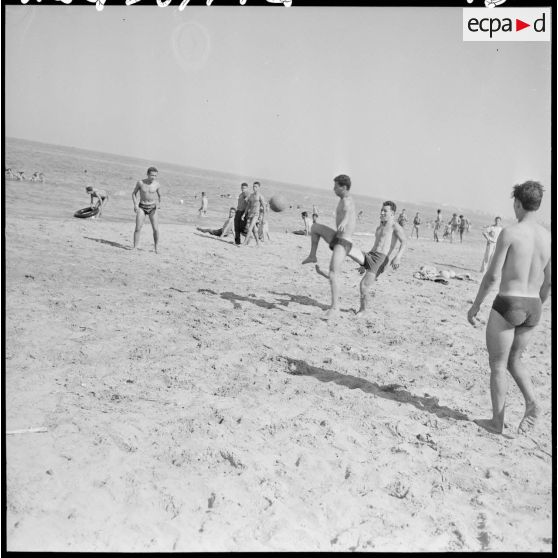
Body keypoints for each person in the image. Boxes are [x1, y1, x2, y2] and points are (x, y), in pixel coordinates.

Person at [467, 181, 551, 436]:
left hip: (508, 303)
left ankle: (496, 423)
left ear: (517, 203)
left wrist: (476, 306)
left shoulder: (510, 233)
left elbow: (492, 277)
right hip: (533, 305)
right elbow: (549, 281)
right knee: (516, 360)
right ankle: (533, 402)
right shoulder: (549, 237)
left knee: (498, 364)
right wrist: (536, 307)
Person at [305, 197, 407, 320]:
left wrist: (398, 257)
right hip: (371, 255)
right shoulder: (379, 227)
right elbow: (376, 245)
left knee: (363, 285)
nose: (382, 213)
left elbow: (404, 242)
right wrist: (363, 264)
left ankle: (364, 311)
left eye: (385, 211)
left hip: (380, 260)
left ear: (392, 213)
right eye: (381, 210)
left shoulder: (394, 226)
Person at [132, 166, 162, 253]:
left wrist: (159, 204)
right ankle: (135, 247)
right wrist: (135, 204)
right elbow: (134, 193)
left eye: (155, 175)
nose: (153, 177)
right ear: (147, 174)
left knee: (155, 229)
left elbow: (160, 196)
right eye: (152, 175)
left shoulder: (157, 184)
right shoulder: (140, 183)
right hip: (142, 206)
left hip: (152, 207)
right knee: (138, 228)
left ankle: (156, 248)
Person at [243, 181, 266, 246]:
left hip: (256, 215)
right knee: (254, 230)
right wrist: (244, 214)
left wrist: (263, 218)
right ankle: (258, 243)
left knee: (250, 228)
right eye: (253, 186)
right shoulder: (251, 195)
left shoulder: (260, 196)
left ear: (259, 188)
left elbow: (264, 208)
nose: (254, 188)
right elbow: (248, 206)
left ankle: (244, 243)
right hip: (250, 214)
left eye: (255, 187)